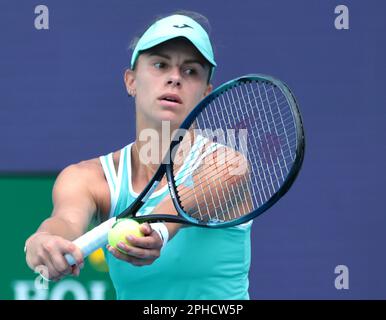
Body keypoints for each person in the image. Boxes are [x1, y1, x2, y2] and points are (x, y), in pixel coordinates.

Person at [25, 11, 252, 299]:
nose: (174, 78)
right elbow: (67, 221)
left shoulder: (228, 166)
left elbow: (175, 209)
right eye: (160, 65)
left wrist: (158, 232)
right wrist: (45, 240)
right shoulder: (89, 178)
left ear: (206, 94)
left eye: (190, 71)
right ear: (131, 81)